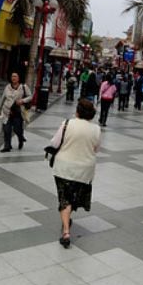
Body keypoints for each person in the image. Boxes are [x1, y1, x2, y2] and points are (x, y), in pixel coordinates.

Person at [49, 99, 101, 248]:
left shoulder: (67, 124)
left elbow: (54, 143)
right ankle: (67, 219)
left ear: (77, 111)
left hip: (64, 167)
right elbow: (96, 149)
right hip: (84, 170)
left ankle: (66, 231)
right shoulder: (96, 129)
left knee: (64, 198)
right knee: (72, 197)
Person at [0, 72, 32, 152]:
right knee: (6, 129)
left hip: (18, 112)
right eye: (12, 76)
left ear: (18, 78)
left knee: (17, 129)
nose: (13, 78)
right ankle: (7, 146)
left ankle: (20, 139)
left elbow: (30, 96)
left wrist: (22, 100)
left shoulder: (24, 87)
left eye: (15, 76)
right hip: (7, 112)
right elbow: (3, 98)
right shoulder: (7, 87)